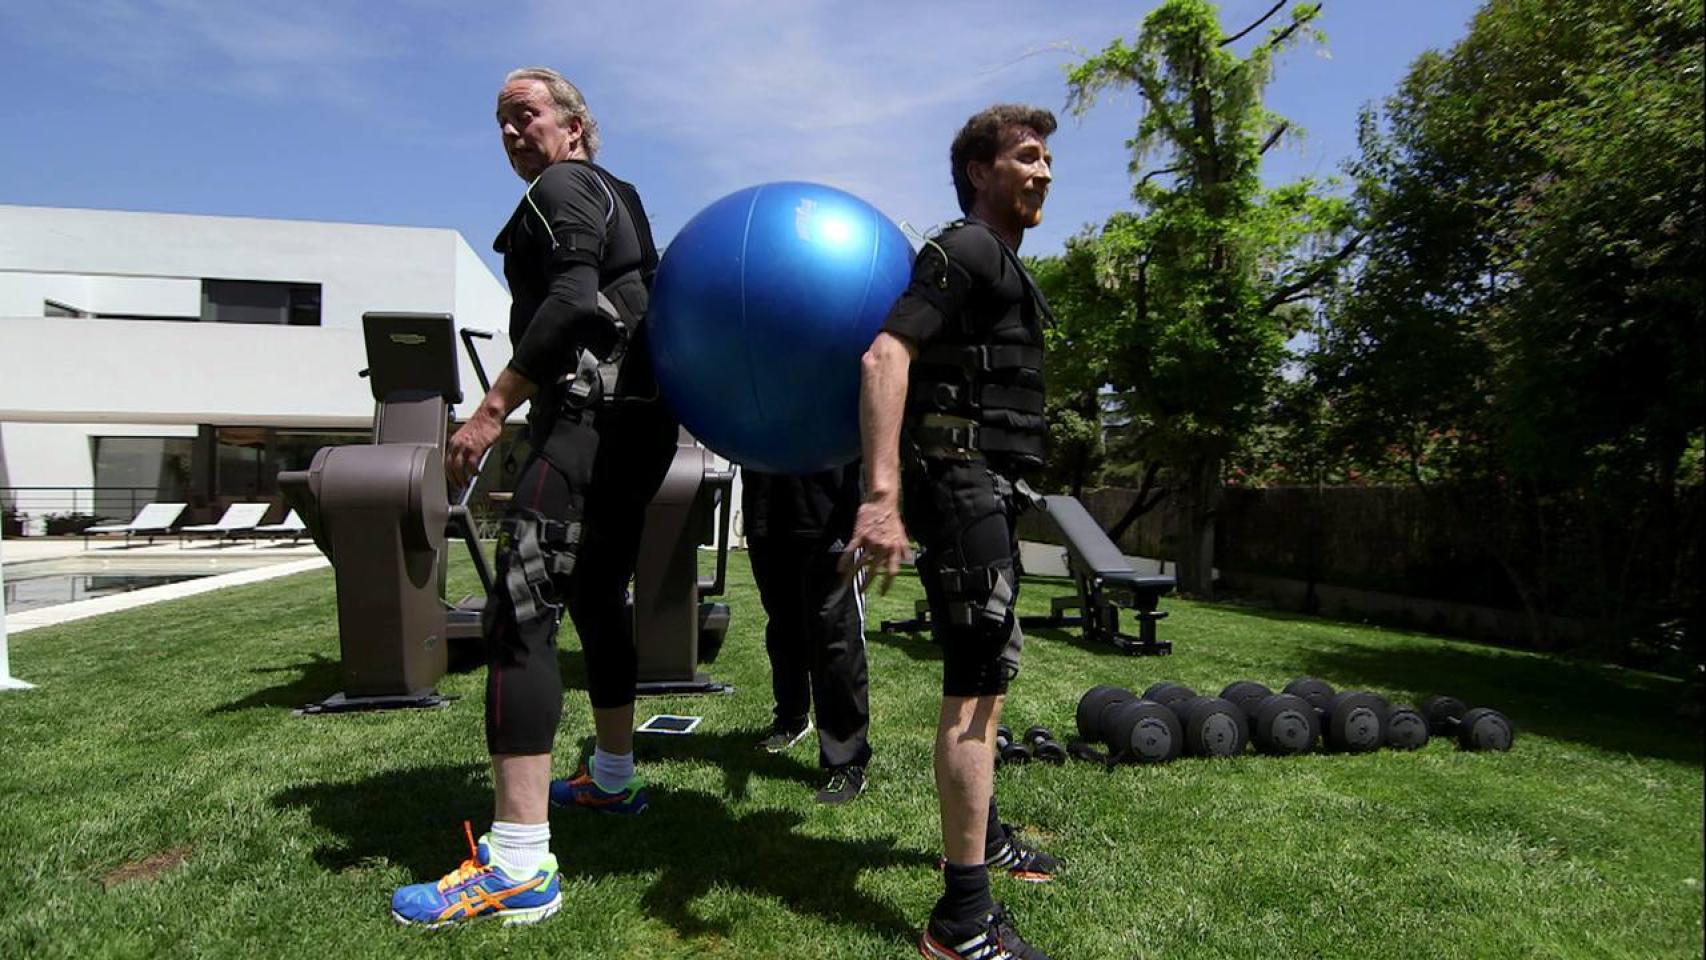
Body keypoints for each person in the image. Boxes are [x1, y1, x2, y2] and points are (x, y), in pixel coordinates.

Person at [390, 67, 678, 927]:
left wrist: (490, 410)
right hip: (639, 429)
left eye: (526, 114)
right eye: (502, 122)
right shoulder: (622, 194)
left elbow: (573, 300)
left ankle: (518, 865)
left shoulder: (563, 186)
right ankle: (613, 780)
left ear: (574, 125)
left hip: (587, 421)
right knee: (597, 596)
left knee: (518, 613)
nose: (512, 132)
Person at [844, 104, 1062, 960]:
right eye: (1028, 156)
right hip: (960, 485)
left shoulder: (999, 261)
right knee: (973, 689)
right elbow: (885, 356)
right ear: (979, 170)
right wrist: (881, 497)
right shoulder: (966, 248)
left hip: (988, 489)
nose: (1044, 172)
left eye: (1047, 159)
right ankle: (962, 921)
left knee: (991, 675)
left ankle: (989, 840)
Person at [743, 462, 872, 804]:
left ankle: (846, 760)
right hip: (766, 500)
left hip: (829, 504)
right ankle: (792, 719)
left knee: (835, 633)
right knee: (782, 623)